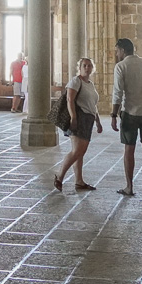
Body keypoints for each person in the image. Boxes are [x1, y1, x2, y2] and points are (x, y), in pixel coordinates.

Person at [110, 38, 142, 196]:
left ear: (123, 50)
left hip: (130, 113)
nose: (116, 54)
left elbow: (118, 93)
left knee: (129, 149)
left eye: (117, 50)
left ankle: (129, 186)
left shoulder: (121, 66)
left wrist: (113, 114)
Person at [53, 57, 103, 192]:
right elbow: (70, 99)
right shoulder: (76, 81)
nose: (87, 68)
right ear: (80, 68)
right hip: (79, 118)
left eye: (89, 66)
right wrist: (73, 117)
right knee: (77, 151)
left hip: (88, 119)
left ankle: (79, 181)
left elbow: (93, 104)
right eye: (84, 66)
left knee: (81, 152)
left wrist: (98, 121)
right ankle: (59, 175)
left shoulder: (90, 84)